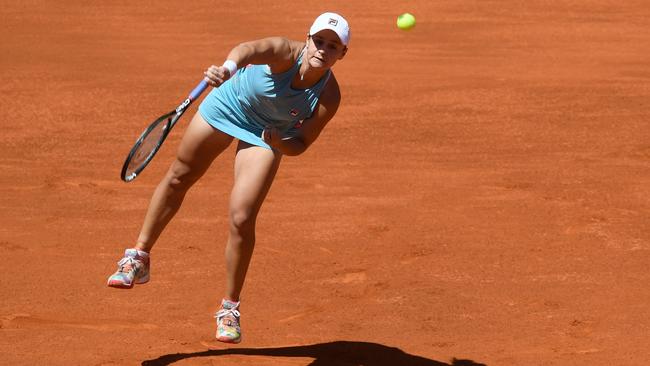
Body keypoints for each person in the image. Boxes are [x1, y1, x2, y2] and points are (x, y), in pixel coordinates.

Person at [106, 12, 350, 344]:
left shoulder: (328, 95)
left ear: (342, 54)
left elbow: (301, 143)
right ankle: (138, 257)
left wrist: (280, 142)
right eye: (319, 41)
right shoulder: (283, 52)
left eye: (333, 46)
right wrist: (227, 69)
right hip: (228, 105)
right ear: (307, 39)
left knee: (242, 216)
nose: (323, 49)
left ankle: (229, 308)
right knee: (180, 176)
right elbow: (248, 49)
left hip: (265, 136)